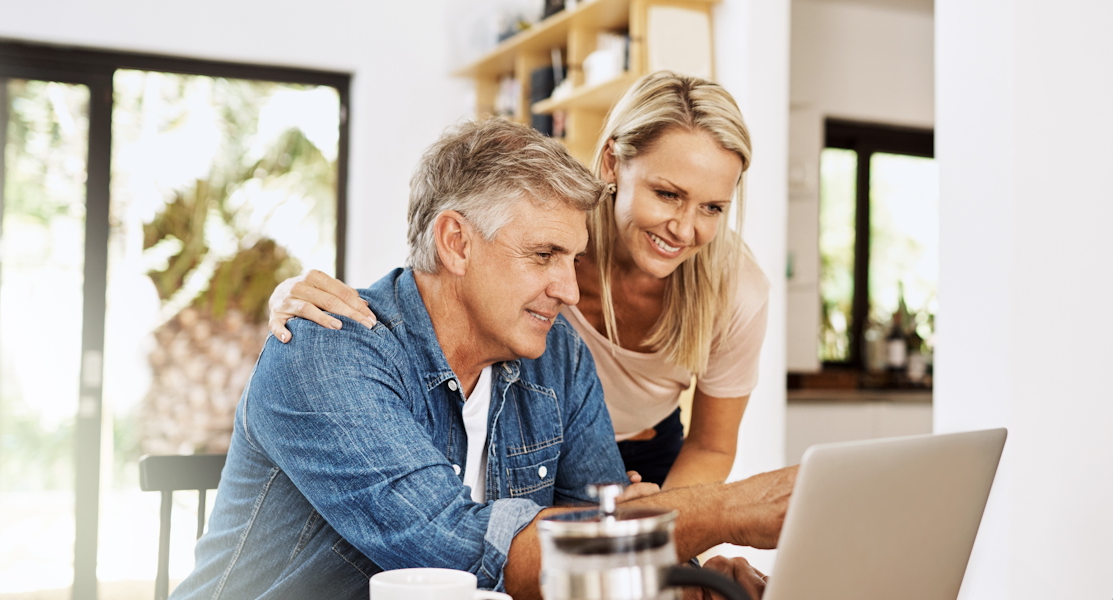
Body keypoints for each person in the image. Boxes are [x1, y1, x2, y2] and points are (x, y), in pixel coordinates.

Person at [171, 118, 792, 600]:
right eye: (544, 255)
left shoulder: (559, 358)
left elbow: (607, 528)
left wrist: (689, 577)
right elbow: (461, 548)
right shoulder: (329, 349)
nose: (570, 291)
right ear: (457, 242)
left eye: (573, 260)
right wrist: (730, 510)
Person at [268, 72, 769, 489]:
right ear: (614, 162)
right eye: (666, 194)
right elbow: (437, 279)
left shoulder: (735, 291)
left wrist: (673, 533)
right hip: (523, 428)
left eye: (713, 208)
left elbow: (711, 444)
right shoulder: (554, 218)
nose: (684, 228)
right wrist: (302, 305)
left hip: (645, 456)